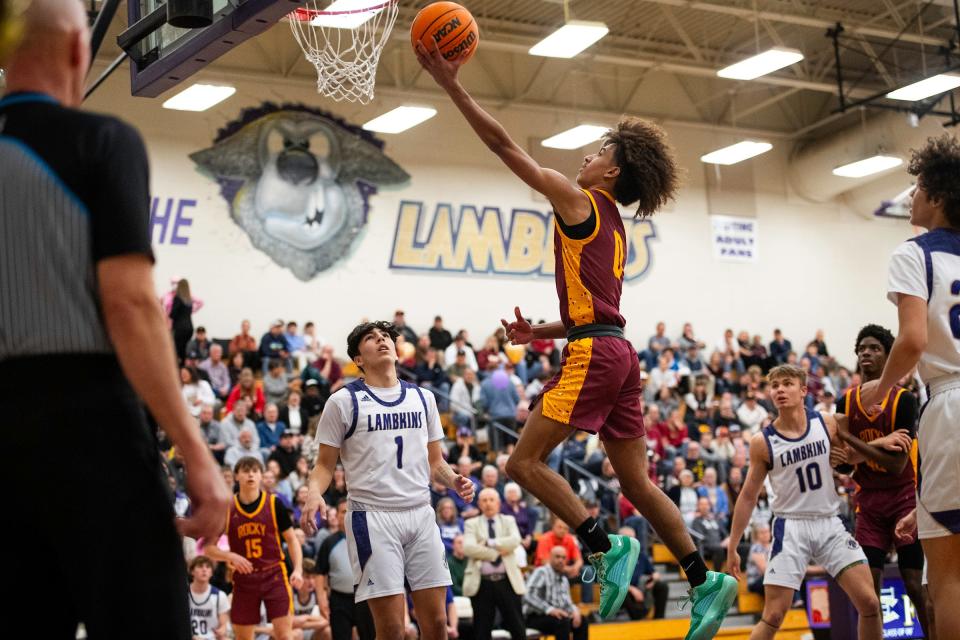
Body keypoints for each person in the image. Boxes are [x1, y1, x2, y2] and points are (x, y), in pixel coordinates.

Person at [415, 38, 736, 634]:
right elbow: (601, 309)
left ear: (611, 171)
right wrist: (539, 330)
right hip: (616, 348)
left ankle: (601, 544)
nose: (585, 158)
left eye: (595, 153)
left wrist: (452, 85)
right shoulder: (614, 228)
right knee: (636, 481)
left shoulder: (582, 200)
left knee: (521, 462)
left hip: (595, 353)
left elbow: (505, 146)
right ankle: (703, 579)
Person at [0, 3, 229, 637]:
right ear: (79, 50)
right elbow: (128, 305)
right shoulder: (101, 141)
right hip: (89, 426)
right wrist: (195, 454)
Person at [300, 321, 475, 640]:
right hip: (372, 517)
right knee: (392, 628)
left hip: (421, 513)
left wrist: (453, 480)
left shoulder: (424, 398)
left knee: (437, 625)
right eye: (371, 338)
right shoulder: (342, 401)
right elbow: (324, 466)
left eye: (386, 337)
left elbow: (436, 462)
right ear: (358, 359)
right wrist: (313, 493)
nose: (381, 340)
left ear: (397, 350)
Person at [859, 135, 960, 640]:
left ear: (937, 197)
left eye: (918, 186)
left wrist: (881, 389)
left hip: (951, 402)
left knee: (949, 574)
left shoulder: (914, 253)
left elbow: (915, 339)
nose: (911, 197)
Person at [725, 365, 911, 640]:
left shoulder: (827, 422)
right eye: (774, 385)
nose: (779, 390)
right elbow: (748, 496)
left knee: (870, 603)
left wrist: (883, 440)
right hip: (790, 526)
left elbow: (848, 456)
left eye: (786, 383)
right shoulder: (761, 442)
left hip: (829, 522)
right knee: (774, 615)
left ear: (802, 391)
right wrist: (733, 544)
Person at [832, 324, 927, 631]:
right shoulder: (845, 402)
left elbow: (898, 464)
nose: (866, 353)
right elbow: (844, 465)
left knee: (915, 585)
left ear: (888, 357)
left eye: (874, 348)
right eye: (861, 348)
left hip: (904, 499)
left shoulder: (904, 400)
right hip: (869, 504)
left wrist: (852, 442)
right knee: (869, 596)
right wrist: (879, 443)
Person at [204, 457, 303, 640]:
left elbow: (292, 539)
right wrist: (230, 556)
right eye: (246, 470)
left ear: (261, 476)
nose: (251, 474)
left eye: (255, 471)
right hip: (244, 579)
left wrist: (297, 569)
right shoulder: (227, 508)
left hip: (274, 575)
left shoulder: (274, 504)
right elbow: (208, 548)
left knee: (284, 636)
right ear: (236, 476)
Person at [462, 488, 526, 640]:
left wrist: (489, 543)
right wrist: (496, 553)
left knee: (518, 628)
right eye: (484, 500)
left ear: (498, 503)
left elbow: (515, 540)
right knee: (481, 631)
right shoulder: (471, 523)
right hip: (482, 584)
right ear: (479, 504)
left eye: (491, 500)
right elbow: (468, 548)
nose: (488, 503)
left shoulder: (508, 520)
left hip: (507, 581)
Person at [314, 499, 375, 640]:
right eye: (343, 511)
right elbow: (319, 573)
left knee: (370, 636)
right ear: (337, 516)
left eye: (350, 511)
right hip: (339, 600)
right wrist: (321, 599)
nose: (347, 514)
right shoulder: (329, 542)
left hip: (365, 597)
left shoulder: (367, 538)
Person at [523, 546, 588, 640]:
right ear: (550, 557)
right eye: (557, 557)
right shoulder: (541, 572)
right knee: (563, 622)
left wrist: (575, 611)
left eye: (563, 558)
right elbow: (528, 595)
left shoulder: (564, 579)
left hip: (557, 617)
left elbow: (567, 602)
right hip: (534, 617)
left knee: (581, 620)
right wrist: (549, 609)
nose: (561, 560)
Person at [188, 556, 231, 640]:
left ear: (211, 573)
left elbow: (223, 626)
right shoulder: (184, 594)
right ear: (192, 571)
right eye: (200, 566)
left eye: (208, 567)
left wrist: (221, 630)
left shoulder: (220, 595)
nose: (204, 570)